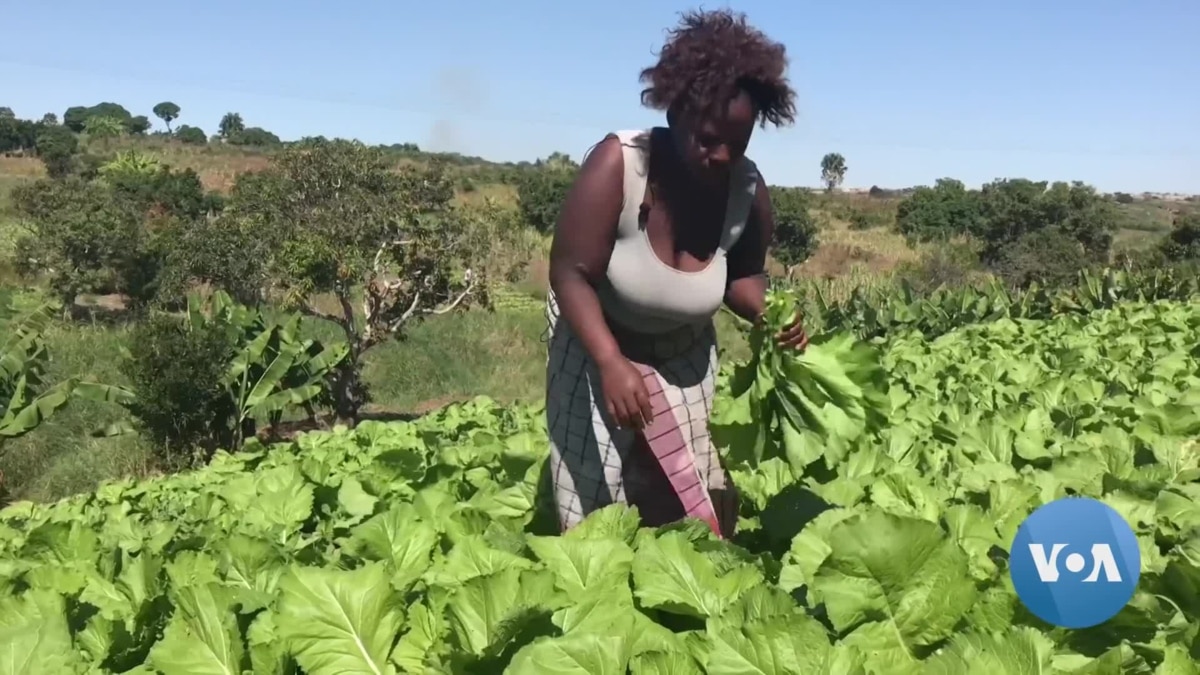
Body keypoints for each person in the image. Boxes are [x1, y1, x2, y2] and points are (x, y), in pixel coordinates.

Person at [544, 8, 809, 539]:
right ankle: (602, 596)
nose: (723, 155)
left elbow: (742, 276)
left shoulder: (746, 191)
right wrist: (609, 360)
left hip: (684, 350)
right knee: (595, 493)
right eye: (709, 139)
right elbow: (569, 273)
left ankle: (686, 593)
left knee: (689, 487)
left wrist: (768, 312)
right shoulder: (619, 164)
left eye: (739, 141)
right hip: (597, 338)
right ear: (677, 115)